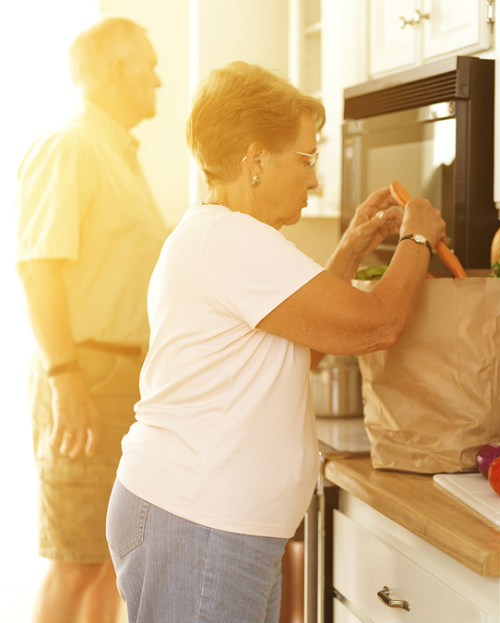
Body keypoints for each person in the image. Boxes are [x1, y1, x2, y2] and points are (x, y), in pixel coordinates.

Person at [104, 60, 446, 622]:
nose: (314, 178)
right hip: (199, 525)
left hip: (211, 525)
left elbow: (304, 343)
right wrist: (416, 238)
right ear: (257, 159)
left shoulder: (222, 237)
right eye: (307, 158)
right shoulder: (234, 241)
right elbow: (375, 324)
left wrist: (353, 246)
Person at [14, 16, 167, 623]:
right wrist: (65, 378)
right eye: (149, 64)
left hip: (118, 383)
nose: (159, 76)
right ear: (116, 70)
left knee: (110, 558)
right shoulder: (72, 145)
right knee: (76, 559)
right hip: (84, 377)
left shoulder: (117, 153)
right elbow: (38, 269)